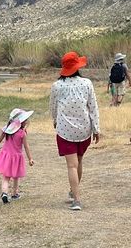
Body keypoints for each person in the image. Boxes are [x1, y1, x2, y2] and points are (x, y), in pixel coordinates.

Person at [50, 51, 100, 211]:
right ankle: (73, 191)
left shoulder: (57, 86)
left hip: (65, 130)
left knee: (72, 165)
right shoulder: (87, 83)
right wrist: (96, 128)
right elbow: (93, 107)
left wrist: (55, 121)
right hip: (84, 129)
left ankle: (77, 199)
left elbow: (53, 106)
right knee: (78, 162)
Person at [0, 108, 34, 204]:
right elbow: (26, 147)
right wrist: (30, 158)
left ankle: (4, 193)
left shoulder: (6, 129)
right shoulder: (22, 133)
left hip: (6, 156)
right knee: (16, 176)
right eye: (25, 120)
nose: (27, 121)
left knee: (6, 177)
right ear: (21, 122)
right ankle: (14, 194)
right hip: (16, 157)